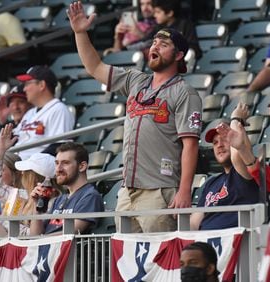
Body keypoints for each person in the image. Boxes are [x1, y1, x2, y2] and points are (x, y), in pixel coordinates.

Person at [68, 2, 202, 233]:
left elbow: (190, 145)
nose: (156, 46)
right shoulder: (135, 80)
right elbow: (94, 67)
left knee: (160, 259)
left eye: (164, 44)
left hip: (160, 190)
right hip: (128, 191)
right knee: (128, 260)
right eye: (154, 42)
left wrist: (184, 190)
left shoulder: (185, 92)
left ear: (179, 55)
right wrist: (80, 33)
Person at [191, 104, 259, 231]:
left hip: (234, 244)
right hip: (205, 244)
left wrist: (236, 119)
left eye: (225, 139)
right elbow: (194, 223)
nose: (219, 145)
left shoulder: (245, 173)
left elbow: (238, 154)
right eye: (215, 142)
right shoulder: (211, 183)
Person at [30, 142, 104, 235]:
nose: (58, 169)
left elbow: (69, 234)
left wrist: (42, 239)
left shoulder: (90, 196)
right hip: (46, 247)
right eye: (57, 163)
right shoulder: (59, 199)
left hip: (63, 248)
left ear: (82, 166)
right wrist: (36, 206)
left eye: (65, 163)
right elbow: (34, 235)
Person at [14, 65, 75, 159]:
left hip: (38, 168)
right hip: (17, 164)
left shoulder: (59, 109)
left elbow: (60, 146)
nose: (24, 89)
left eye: (27, 84)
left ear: (42, 85)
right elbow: (14, 138)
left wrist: (32, 162)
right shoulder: (29, 113)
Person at [126, 0, 201, 58]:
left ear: (170, 13)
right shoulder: (158, 27)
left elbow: (195, 50)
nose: (155, 15)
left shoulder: (185, 25)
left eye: (158, 12)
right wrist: (125, 49)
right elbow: (145, 41)